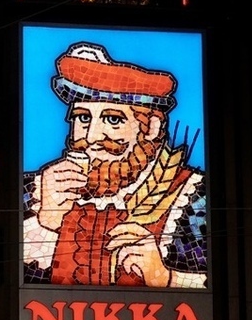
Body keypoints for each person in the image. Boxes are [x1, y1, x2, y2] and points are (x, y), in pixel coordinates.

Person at [22, 42, 207, 289]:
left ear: (152, 127)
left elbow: (230, 286)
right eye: (83, 118)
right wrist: (46, 221)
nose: (91, 136)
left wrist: (167, 277)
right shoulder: (32, 191)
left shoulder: (195, 197)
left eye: (113, 119)